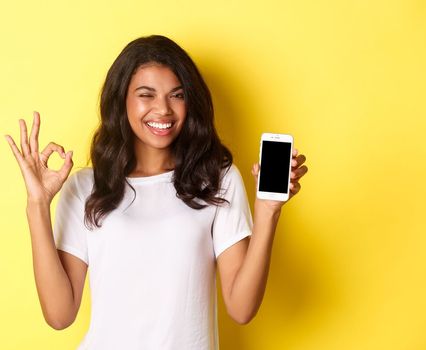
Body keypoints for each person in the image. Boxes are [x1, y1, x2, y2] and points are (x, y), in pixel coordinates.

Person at [4, 34, 308, 349]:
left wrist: (269, 210)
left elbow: (241, 308)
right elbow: (59, 314)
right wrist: (37, 205)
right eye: (146, 95)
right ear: (122, 100)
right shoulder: (85, 187)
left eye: (176, 95)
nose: (163, 109)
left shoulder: (217, 179)